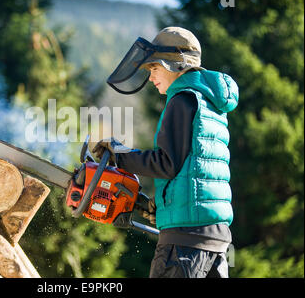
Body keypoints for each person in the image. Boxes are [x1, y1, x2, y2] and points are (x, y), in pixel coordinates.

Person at [92, 27, 239, 278]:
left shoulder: (182, 100)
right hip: (215, 240)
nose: (150, 78)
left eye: (154, 69)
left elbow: (165, 164)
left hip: (184, 245)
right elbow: (192, 169)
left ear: (175, 65)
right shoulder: (210, 103)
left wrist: (119, 156)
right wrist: (164, 206)